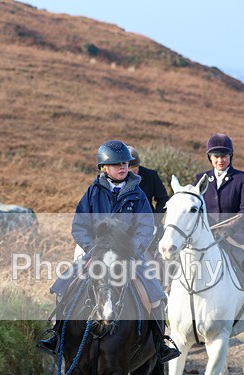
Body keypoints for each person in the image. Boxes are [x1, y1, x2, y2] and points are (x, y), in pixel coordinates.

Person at [37, 140, 180, 363]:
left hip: (130, 255)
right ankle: (57, 335)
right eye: (116, 164)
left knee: (154, 291)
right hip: (97, 253)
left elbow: (145, 227)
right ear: (104, 168)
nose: (122, 167)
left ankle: (160, 341)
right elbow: (79, 225)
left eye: (124, 163)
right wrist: (92, 249)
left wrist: (134, 250)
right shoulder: (92, 193)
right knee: (65, 284)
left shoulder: (138, 194)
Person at [198, 133, 244, 323]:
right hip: (208, 234)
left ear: (230, 157)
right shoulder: (201, 178)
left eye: (224, 156)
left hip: (236, 233)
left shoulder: (242, 178)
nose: (220, 160)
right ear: (210, 158)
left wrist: (229, 228)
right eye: (216, 156)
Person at [127, 145, 168, 254]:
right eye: (129, 171)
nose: (133, 173)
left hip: (150, 221)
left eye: (135, 168)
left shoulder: (151, 176)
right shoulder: (117, 179)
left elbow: (163, 199)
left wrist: (156, 221)